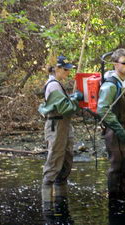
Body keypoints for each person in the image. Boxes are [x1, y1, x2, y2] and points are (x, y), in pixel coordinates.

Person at [38, 55, 83, 211]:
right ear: (56, 69)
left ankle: (61, 202)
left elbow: (62, 104)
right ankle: (48, 208)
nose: (67, 73)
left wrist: (72, 98)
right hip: (56, 126)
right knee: (54, 161)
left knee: (66, 161)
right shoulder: (53, 86)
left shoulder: (57, 84)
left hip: (64, 126)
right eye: (65, 70)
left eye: (68, 70)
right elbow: (65, 108)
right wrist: (76, 99)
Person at [97, 48, 125, 203]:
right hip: (114, 131)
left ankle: (122, 196)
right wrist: (118, 129)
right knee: (117, 166)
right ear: (116, 64)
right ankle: (114, 200)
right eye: (124, 63)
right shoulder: (110, 86)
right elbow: (102, 109)